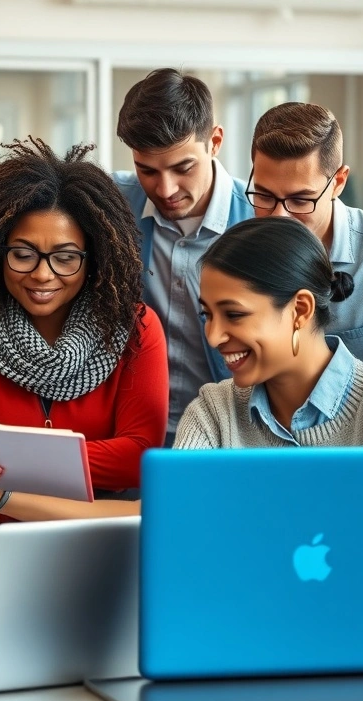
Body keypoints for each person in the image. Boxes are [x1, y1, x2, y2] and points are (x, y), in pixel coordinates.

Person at [0, 216, 363, 521]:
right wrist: (1, 495)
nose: (214, 336)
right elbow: (153, 518)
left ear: (299, 310)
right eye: (207, 315)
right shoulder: (216, 411)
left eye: (234, 315)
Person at [0, 138, 168, 570]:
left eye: (65, 257)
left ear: (95, 258)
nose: (42, 274)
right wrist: (75, 468)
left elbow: (138, 460)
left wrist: (1, 476)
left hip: (105, 534)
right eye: (23, 254)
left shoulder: (138, 329)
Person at [112, 69, 254, 442]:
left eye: (182, 167)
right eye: (147, 170)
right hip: (128, 438)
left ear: (215, 141)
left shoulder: (261, 220)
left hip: (227, 441)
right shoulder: (111, 205)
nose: (165, 188)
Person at [248, 102, 363, 367]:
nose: (279, 216)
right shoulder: (237, 249)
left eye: (300, 200)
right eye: (264, 195)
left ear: (338, 182)